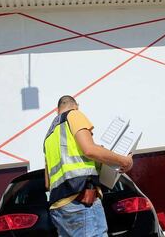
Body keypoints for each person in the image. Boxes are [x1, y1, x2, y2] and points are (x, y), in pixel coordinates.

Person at [44, 95, 133, 237]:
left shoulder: (48, 137)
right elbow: (89, 149)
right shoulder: (74, 115)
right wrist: (123, 161)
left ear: (57, 110)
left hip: (58, 208)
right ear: (76, 105)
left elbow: (48, 183)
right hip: (81, 201)